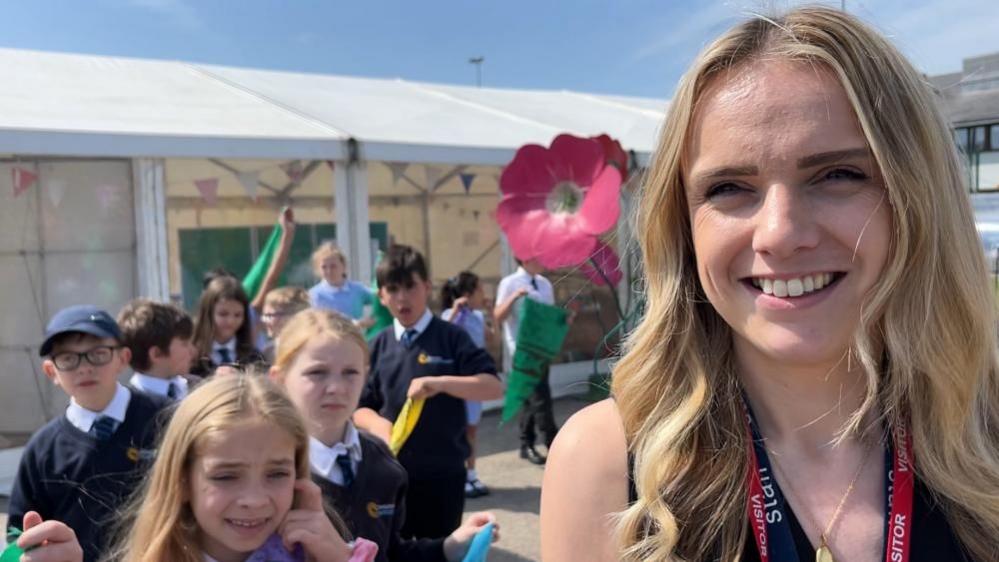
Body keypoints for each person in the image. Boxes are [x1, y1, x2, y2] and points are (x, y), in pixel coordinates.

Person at [541, 7, 999, 562]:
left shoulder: (989, 438)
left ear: (919, 200)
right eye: (729, 187)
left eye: (837, 174)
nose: (780, 234)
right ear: (683, 228)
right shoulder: (604, 463)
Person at [269, 308, 500, 561]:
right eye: (317, 372)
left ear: (366, 375)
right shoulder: (265, 472)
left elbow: (391, 553)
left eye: (350, 372)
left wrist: (449, 546)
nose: (336, 387)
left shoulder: (382, 462)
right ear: (280, 379)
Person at [103, 374, 377, 562]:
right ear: (182, 481)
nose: (254, 500)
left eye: (277, 473)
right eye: (226, 476)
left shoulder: (325, 555)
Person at [354, 244, 504, 540]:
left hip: (442, 474)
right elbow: (359, 407)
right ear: (381, 296)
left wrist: (440, 383)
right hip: (389, 474)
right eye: (393, 289)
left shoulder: (451, 337)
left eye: (410, 286)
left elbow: (492, 386)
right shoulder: (377, 345)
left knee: (439, 548)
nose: (402, 297)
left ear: (426, 286)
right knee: (391, 550)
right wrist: (379, 426)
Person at [6, 305, 168, 562]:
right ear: (51, 372)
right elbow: (17, 538)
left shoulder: (167, 419)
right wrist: (27, 551)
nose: (84, 368)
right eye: (68, 359)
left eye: (98, 354)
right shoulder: (43, 449)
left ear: (123, 359)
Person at [494, 258, 557, 465]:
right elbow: (498, 315)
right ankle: (553, 444)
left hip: (541, 349)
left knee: (530, 400)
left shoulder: (545, 284)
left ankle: (525, 444)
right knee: (540, 400)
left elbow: (550, 315)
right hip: (522, 351)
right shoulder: (510, 283)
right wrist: (514, 297)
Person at [440, 272, 494, 497]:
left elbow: (492, 340)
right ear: (467, 294)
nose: (483, 294)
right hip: (457, 380)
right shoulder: (448, 315)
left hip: (475, 378)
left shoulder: (478, 316)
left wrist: (492, 315)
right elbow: (440, 335)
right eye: (479, 289)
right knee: (456, 429)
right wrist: (454, 311)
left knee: (472, 429)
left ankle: (471, 474)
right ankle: (458, 476)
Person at [117, 298, 200, 401]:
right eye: (184, 344)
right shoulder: (130, 407)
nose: (193, 351)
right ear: (156, 354)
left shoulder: (199, 389)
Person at [191, 276, 264, 375]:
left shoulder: (254, 358)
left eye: (238, 315)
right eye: (223, 314)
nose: (231, 321)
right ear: (208, 313)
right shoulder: (192, 356)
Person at [309, 242, 376, 329]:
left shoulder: (357, 289)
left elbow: (380, 299)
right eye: (324, 267)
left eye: (333, 266)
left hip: (356, 341)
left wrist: (373, 320)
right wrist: (354, 324)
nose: (329, 271)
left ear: (344, 266)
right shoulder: (314, 295)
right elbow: (315, 325)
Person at [260, 286, 311, 362]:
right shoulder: (268, 352)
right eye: (264, 315)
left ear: (293, 317)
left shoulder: (311, 347)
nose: (264, 320)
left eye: (270, 315)